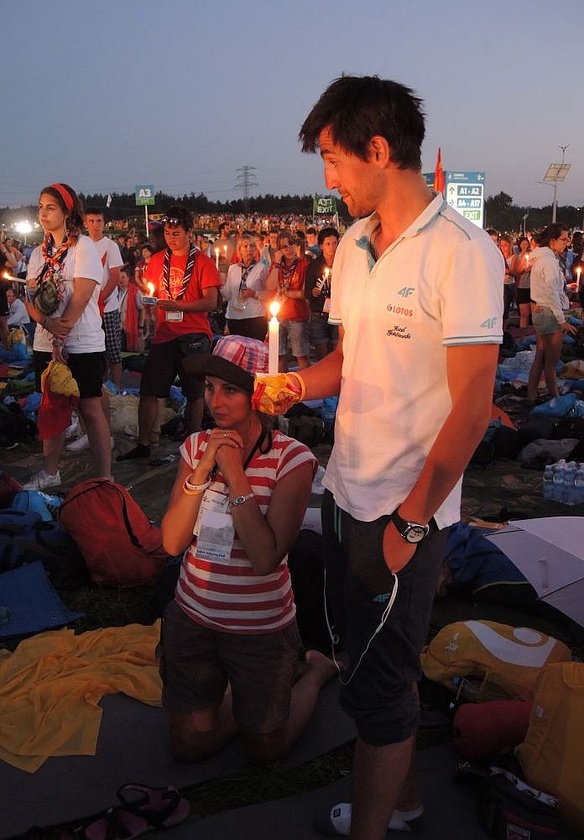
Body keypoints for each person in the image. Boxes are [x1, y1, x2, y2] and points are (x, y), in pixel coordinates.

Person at [251, 76, 504, 840]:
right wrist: (297, 383)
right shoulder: (355, 248)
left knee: (384, 687)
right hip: (345, 492)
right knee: (365, 663)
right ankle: (406, 804)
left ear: (379, 150)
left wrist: (416, 522)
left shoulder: (464, 253)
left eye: (333, 160)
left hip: (404, 510)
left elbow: (471, 409)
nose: (327, 180)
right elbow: (349, 362)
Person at [159, 334, 335, 763]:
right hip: (193, 614)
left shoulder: (292, 460)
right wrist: (202, 469)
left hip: (260, 627)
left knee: (266, 752)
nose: (215, 401)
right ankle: (244, 706)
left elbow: (264, 558)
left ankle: (313, 671)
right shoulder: (197, 446)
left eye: (231, 389)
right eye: (210, 387)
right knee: (187, 747)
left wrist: (235, 474)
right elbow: (171, 542)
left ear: (257, 396)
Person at [23, 182, 112, 490]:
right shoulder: (38, 253)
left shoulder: (82, 246)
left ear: (66, 211)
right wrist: (48, 324)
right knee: (52, 407)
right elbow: (30, 297)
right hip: (47, 341)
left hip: (82, 340)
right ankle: (50, 471)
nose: (43, 214)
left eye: (50, 207)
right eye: (40, 207)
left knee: (89, 406)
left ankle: (105, 476)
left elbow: (85, 288)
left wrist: (64, 326)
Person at [116, 205, 221, 461]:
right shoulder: (158, 260)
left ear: (189, 232)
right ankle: (144, 444)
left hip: (194, 334)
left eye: (176, 233)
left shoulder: (202, 262)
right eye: (167, 232)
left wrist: (180, 306)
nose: (171, 238)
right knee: (149, 389)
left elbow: (211, 302)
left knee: (194, 392)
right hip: (164, 333)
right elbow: (154, 296)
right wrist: (146, 293)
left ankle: (193, 444)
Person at [526, 223, 577, 403]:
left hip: (541, 310)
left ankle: (531, 394)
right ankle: (555, 398)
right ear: (553, 240)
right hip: (549, 312)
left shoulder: (541, 259)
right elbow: (551, 292)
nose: (567, 243)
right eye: (564, 239)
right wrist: (561, 320)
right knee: (551, 362)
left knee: (540, 357)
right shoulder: (548, 261)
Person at [265, 230, 311, 371]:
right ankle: (281, 385)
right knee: (279, 354)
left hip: (297, 315)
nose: (289, 248)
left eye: (291, 244)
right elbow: (270, 286)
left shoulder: (304, 265)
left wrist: (287, 293)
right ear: (279, 250)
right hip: (278, 315)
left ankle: (306, 387)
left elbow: (305, 293)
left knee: (301, 354)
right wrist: (277, 263)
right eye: (284, 246)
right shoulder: (276, 265)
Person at [221, 233, 268, 341]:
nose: (249, 249)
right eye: (245, 246)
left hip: (254, 316)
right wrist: (219, 284)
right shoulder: (233, 268)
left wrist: (254, 294)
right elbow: (228, 294)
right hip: (234, 317)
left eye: (252, 246)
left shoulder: (261, 268)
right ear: (239, 249)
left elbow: (269, 294)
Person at [304, 227, 339, 360]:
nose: (331, 247)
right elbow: (307, 292)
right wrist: (313, 292)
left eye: (334, 243)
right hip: (319, 314)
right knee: (322, 354)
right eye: (327, 244)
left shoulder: (342, 263)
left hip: (337, 313)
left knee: (337, 352)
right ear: (321, 246)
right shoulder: (314, 266)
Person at [510, 236, 531, 329]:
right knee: (523, 313)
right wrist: (523, 268)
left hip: (531, 285)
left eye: (526, 244)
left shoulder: (531, 255)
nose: (525, 246)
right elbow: (516, 271)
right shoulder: (518, 256)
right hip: (521, 285)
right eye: (523, 244)